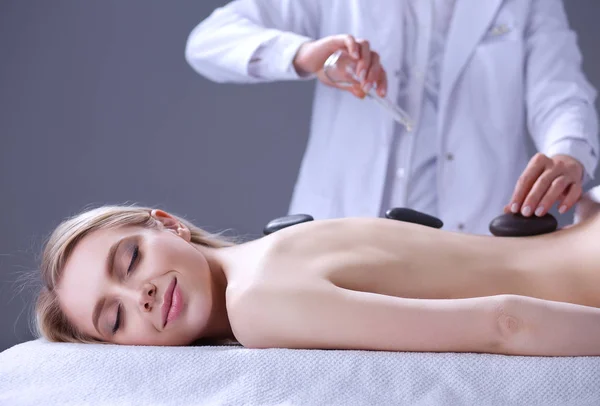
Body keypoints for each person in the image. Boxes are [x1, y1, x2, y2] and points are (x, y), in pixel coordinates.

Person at [185, 0, 599, 235]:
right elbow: (207, 41)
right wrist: (304, 55)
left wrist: (568, 153)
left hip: (469, 240)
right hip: (338, 233)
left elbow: (560, 92)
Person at [36, 192, 600, 356]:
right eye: (114, 317)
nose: (142, 296)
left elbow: (502, 323)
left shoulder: (258, 304)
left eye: (130, 260)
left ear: (169, 224)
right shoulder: (278, 244)